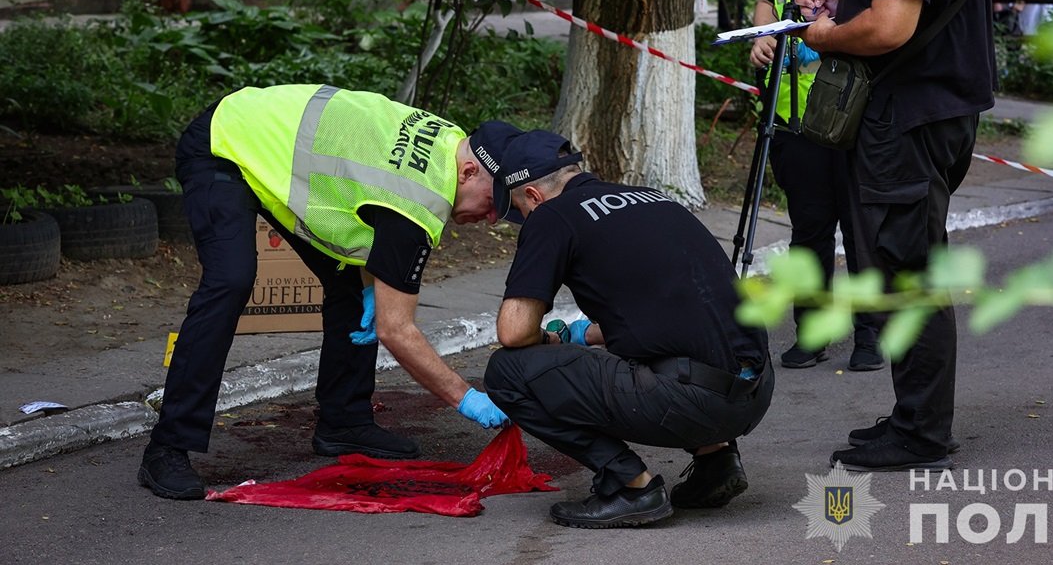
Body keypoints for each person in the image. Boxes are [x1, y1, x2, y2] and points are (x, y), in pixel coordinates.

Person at [138, 84, 521, 500]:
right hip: (225, 141)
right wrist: (467, 399)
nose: (489, 218)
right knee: (230, 280)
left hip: (277, 152)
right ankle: (167, 446)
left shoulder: (452, 141)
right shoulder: (420, 201)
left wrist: (372, 284)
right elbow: (397, 331)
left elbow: (372, 205)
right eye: (491, 203)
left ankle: (345, 421)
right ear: (468, 172)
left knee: (351, 286)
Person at [792, 0, 996, 471]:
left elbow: (889, 26)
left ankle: (921, 431)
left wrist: (826, 33)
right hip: (946, 105)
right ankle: (915, 413)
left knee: (908, 269)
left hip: (910, 113)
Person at [484, 130, 774, 528]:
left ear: (533, 195)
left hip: (690, 403)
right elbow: (673, 307)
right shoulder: (654, 198)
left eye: (519, 209)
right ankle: (717, 463)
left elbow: (514, 331)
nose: (524, 219)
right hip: (756, 392)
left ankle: (629, 486)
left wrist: (549, 340)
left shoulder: (552, 215)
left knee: (507, 371)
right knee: (684, 353)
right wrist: (582, 334)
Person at [747, 0, 884, 371]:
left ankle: (872, 333)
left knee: (861, 229)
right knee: (809, 230)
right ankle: (812, 331)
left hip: (855, 117)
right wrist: (763, 33)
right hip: (794, 119)